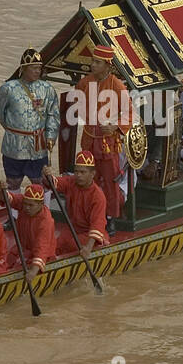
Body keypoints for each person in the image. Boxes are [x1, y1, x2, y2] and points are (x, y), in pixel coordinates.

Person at [70, 44, 133, 227]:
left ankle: (111, 217)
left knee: (111, 181)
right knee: (89, 181)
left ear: (107, 65)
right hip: (89, 139)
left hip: (108, 144)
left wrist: (115, 126)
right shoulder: (84, 83)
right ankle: (87, 216)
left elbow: (129, 112)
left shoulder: (117, 85)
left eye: (97, 62)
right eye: (93, 62)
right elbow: (76, 103)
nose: (93, 66)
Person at [0, 48, 60, 191]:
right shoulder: (8, 88)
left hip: (38, 146)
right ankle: (14, 212)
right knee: (12, 182)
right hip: (14, 145)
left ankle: (44, 211)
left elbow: (53, 114)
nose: (37, 71)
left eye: (39, 68)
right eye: (34, 68)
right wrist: (13, 129)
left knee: (42, 183)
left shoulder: (47, 88)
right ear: (23, 68)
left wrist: (50, 136)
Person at [44, 152, 108, 258]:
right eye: (76, 171)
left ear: (92, 174)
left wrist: (88, 247)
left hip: (89, 233)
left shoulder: (98, 196)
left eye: (83, 172)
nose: (78, 175)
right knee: (54, 246)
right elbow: (55, 183)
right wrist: (48, 176)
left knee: (72, 244)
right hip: (73, 228)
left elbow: (97, 224)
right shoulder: (72, 181)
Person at [0, 181, 56, 275]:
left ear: (40, 204)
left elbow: (42, 247)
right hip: (22, 249)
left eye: (31, 205)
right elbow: (4, 198)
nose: (27, 208)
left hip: (41, 255)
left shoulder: (46, 221)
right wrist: (1, 189)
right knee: (2, 265)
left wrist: (33, 271)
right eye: (25, 204)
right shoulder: (23, 203)